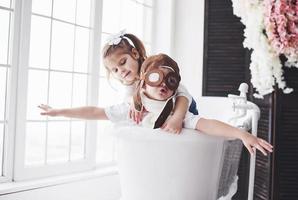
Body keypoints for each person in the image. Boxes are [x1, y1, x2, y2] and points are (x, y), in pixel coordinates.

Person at [39, 54, 273, 156]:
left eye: (169, 81)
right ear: (142, 85)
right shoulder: (133, 111)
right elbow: (96, 111)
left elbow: (209, 125)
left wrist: (243, 135)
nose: (162, 84)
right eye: (154, 79)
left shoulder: (177, 111)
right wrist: (60, 111)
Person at [101, 30, 198, 133]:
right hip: (165, 110)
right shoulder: (130, 83)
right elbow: (128, 98)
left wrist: (178, 117)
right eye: (115, 70)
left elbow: (183, 94)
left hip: (186, 106)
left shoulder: (153, 68)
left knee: (188, 126)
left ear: (135, 53)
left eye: (123, 62)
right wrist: (134, 99)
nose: (121, 71)